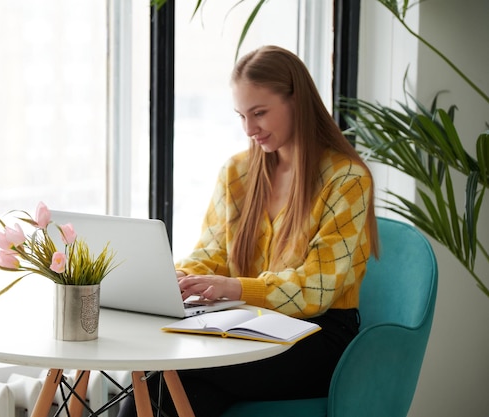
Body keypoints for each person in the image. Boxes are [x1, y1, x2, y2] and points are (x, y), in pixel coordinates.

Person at [117, 45, 379, 417]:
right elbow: (212, 254)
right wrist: (178, 279)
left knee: (165, 379)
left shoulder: (346, 179)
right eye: (241, 115)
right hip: (247, 325)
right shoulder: (237, 173)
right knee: (172, 393)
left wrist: (238, 287)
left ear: (296, 102)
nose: (249, 129)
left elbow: (318, 287)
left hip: (318, 337)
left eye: (259, 113)